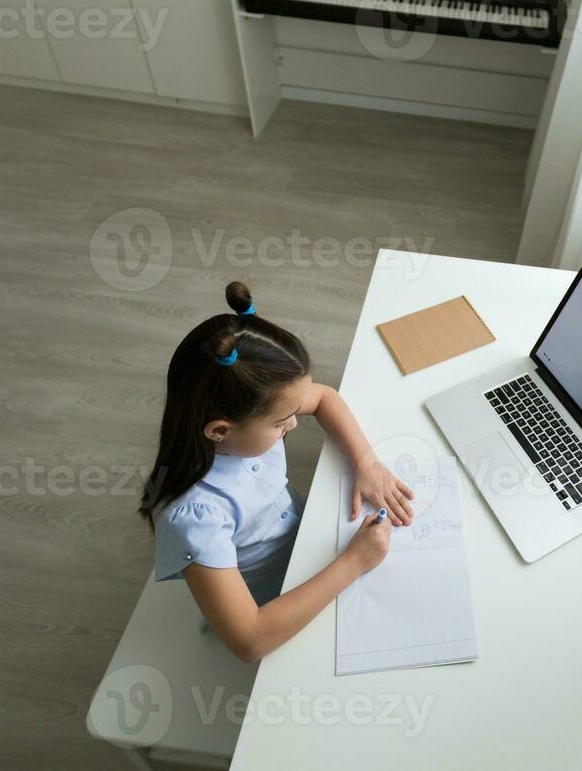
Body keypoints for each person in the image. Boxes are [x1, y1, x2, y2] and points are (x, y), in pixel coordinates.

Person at [138, 281, 414, 662]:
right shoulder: (195, 518)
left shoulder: (245, 422)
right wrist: (354, 562)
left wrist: (366, 461)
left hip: (311, 544)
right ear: (220, 430)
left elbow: (323, 397)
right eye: (282, 421)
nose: (294, 424)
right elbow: (250, 640)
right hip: (282, 603)